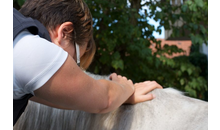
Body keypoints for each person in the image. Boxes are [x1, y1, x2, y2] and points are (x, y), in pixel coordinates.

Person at [13, 0, 162, 126]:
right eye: (75, 60)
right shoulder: (31, 49)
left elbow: (66, 99)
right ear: (64, 33)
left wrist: (121, 96)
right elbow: (105, 99)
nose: (73, 69)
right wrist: (126, 87)